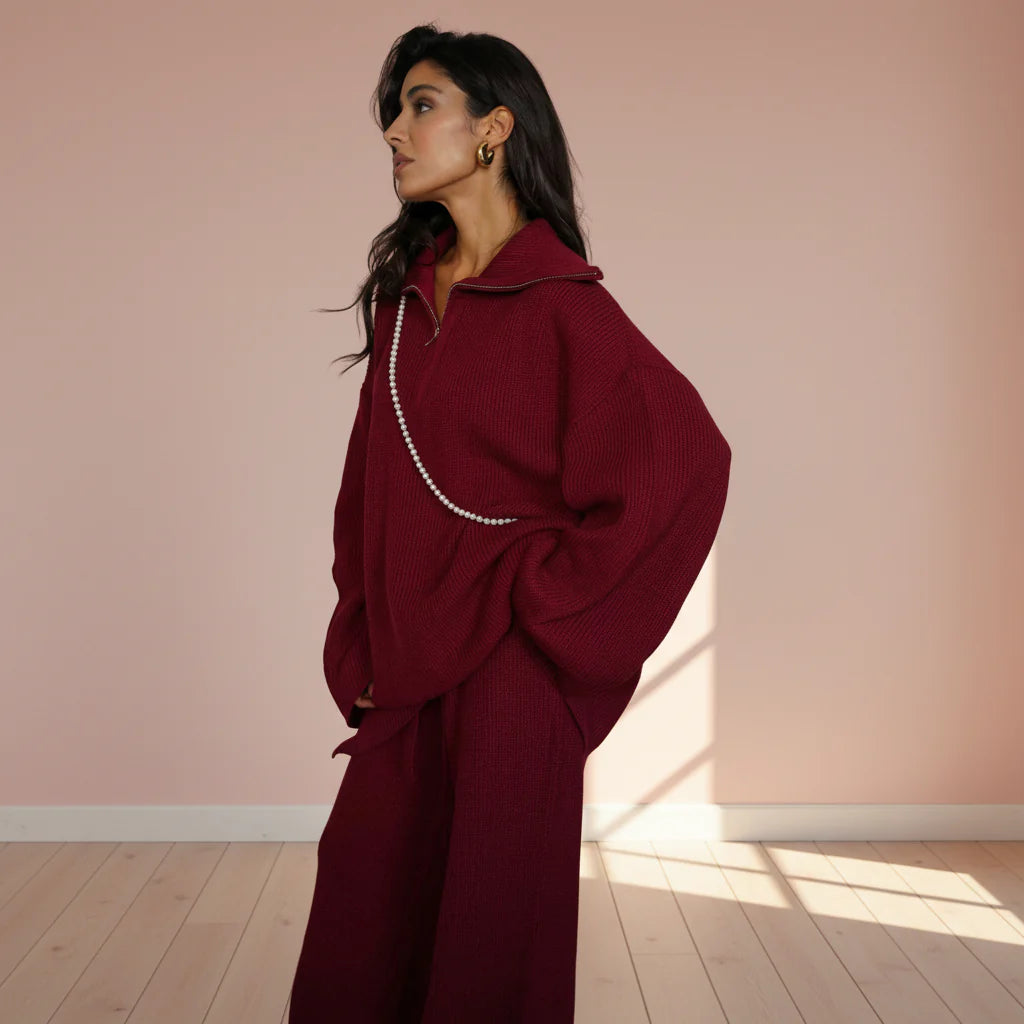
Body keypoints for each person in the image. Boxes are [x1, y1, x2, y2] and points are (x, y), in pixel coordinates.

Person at [288, 22, 732, 1024]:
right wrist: (359, 633)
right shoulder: (403, 303)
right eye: (394, 111)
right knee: (364, 905)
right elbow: (367, 492)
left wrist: (544, 601)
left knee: (491, 928)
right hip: (405, 666)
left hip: (510, 674)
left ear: (494, 128)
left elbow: (685, 460)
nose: (395, 131)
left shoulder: (563, 306)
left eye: (421, 104)